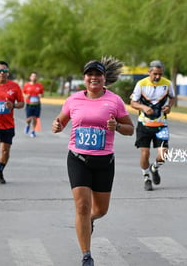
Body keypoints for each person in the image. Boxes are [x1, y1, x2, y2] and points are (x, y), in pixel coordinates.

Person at [52, 57, 134, 266]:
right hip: (78, 159)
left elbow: (130, 129)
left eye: (98, 74)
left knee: (100, 210)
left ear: (104, 78)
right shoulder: (74, 99)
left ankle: (89, 222)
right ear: (84, 78)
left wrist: (116, 126)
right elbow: (61, 120)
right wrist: (57, 125)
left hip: (104, 162)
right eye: (90, 74)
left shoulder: (114, 101)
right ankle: (86, 255)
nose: (94, 78)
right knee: (81, 206)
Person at [130, 60, 176, 191]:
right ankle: (146, 178)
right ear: (149, 72)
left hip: (161, 125)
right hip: (144, 125)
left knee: (164, 154)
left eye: (160, 74)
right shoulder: (141, 84)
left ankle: (154, 168)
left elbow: (172, 98)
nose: (157, 77)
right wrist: (143, 107)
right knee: (145, 154)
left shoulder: (167, 84)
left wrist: (169, 107)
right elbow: (133, 103)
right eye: (155, 74)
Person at [22, 72, 44, 138]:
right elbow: (23, 93)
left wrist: (40, 95)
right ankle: (28, 125)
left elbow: (42, 94)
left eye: (35, 76)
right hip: (29, 104)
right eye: (32, 76)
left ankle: (33, 131)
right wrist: (26, 96)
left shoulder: (39, 86)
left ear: (36, 77)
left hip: (37, 105)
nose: (34, 77)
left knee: (35, 119)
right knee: (28, 119)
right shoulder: (27, 85)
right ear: (30, 77)